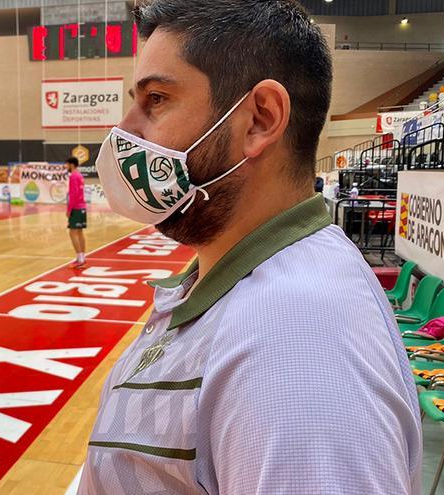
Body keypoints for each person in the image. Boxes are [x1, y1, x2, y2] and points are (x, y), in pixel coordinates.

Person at [84, 1, 421, 494]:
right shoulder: (252, 292)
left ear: (260, 119)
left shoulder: (298, 338)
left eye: (156, 98)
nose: (127, 130)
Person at [65, 157, 87, 268]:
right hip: (82, 207)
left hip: (76, 208)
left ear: (71, 165)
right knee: (79, 232)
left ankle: (80, 259)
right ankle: (82, 257)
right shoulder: (79, 175)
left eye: (66, 164)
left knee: (72, 233)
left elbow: (73, 194)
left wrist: (69, 210)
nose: (65, 167)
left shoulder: (73, 176)